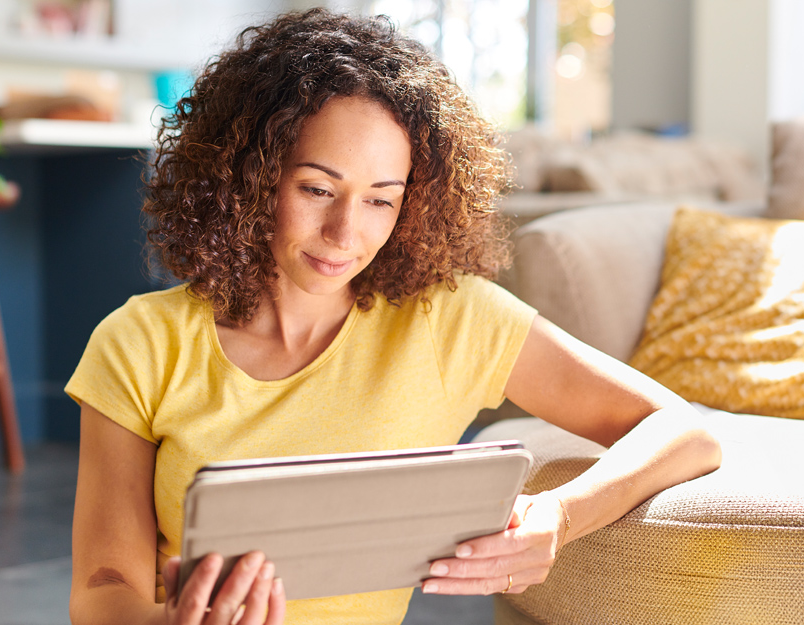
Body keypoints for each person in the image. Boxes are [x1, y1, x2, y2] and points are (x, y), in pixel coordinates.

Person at [66, 9, 721, 625]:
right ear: (249, 175)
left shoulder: (451, 319)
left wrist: (559, 516)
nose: (345, 231)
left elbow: (684, 431)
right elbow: (102, 591)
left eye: (382, 200)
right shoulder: (141, 343)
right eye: (317, 188)